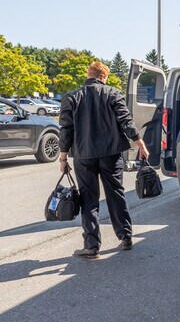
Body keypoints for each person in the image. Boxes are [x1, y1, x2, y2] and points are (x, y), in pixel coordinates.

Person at [59, 62, 149, 259]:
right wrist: (140, 144)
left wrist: (63, 157)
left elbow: (66, 130)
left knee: (88, 199)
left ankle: (91, 246)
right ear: (103, 77)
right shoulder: (113, 93)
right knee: (116, 193)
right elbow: (126, 121)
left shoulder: (71, 97)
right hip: (111, 153)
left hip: (84, 155)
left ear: (89, 75)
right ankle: (125, 237)